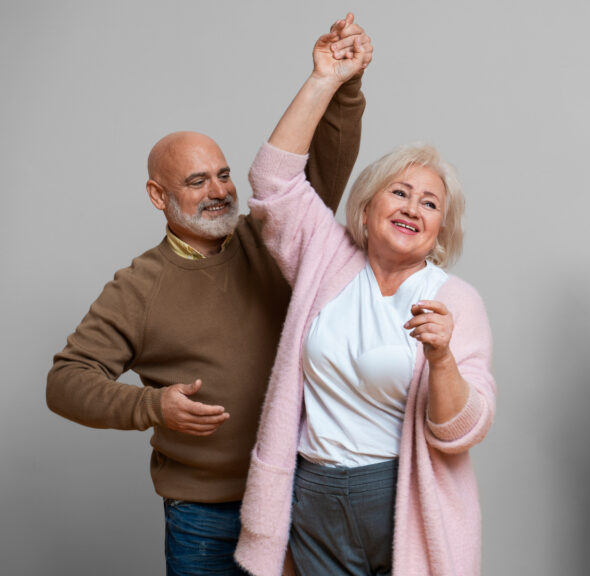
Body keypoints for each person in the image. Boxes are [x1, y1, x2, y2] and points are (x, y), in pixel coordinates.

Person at [45, 16, 372, 574]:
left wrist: (342, 85)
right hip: (205, 516)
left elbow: (317, 172)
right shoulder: (139, 286)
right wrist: (153, 406)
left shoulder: (270, 238)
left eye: (223, 176)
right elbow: (65, 383)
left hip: (304, 496)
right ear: (158, 195)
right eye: (197, 181)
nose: (220, 191)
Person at [232, 19, 495, 576]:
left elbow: (461, 431)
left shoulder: (455, 299)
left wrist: (443, 358)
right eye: (399, 192)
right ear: (368, 207)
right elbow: (273, 180)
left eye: (429, 204)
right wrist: (325, 79)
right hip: (313, 493)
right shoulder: (325, 260)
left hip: (399, 496)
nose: (411, 208)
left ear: (441, 230)